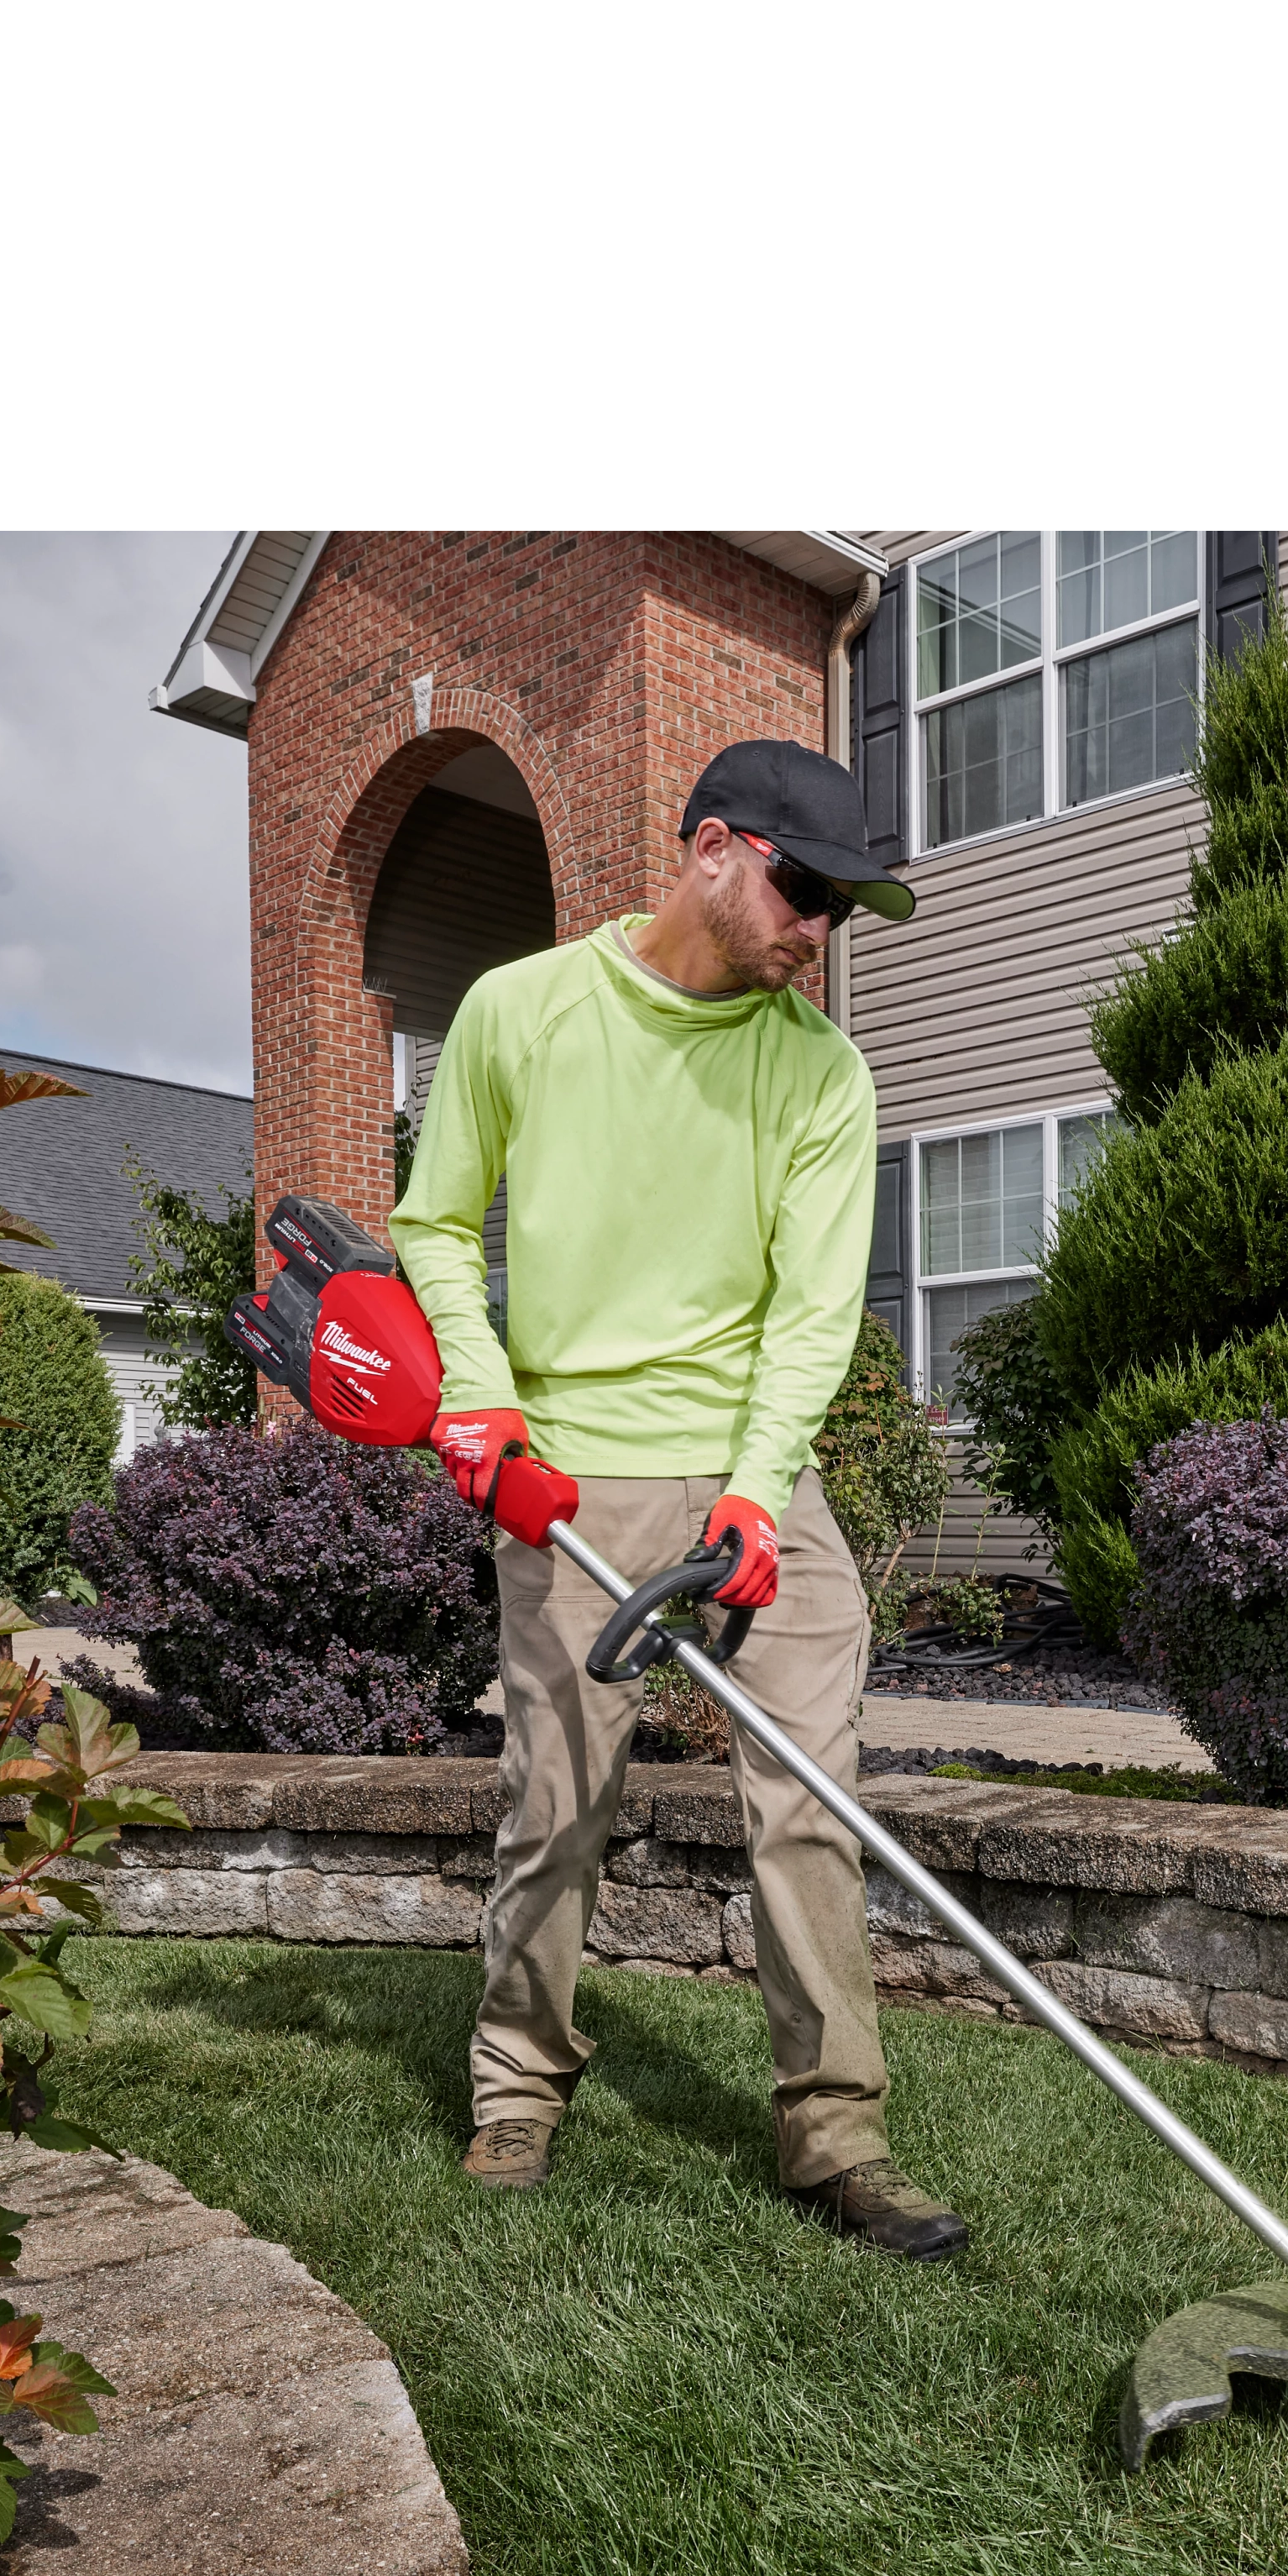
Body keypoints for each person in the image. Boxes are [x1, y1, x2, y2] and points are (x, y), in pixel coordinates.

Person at [390, 742, 968, 2259]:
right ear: (712, 846)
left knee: (810, 1806)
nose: (819, 932)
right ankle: (517, 2083)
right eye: (805, 890)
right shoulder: (521, 1014)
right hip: (572, 1471)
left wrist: (763, 1495)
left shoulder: (821, 1071)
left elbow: (811, 1312)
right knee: (557, 1805)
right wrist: (484, 1399)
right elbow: (438, 1226)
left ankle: (832, 2132)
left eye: (844, 907)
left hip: (758, 1473)